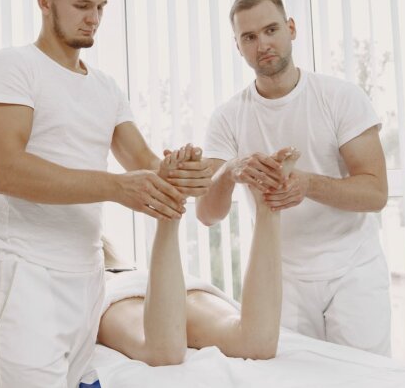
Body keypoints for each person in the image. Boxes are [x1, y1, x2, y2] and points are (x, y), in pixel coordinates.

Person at [0, 0, 214, 388]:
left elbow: (144, 164)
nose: (94, 18)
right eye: (82, 6)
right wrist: (117, 188)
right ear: (45, 2)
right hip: (25, 268)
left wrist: (180, 171)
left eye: (101, 7)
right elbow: (5, 171)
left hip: (87, 272)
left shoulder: (105, 87)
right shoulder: (12, 67)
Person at [190, 0, 392, 355]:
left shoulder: (341, 97)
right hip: (282, 277)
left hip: (354, 268)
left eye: (270, 30)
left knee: (366, 378)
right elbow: (207, 214)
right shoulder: (227, 117)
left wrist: (307, 184)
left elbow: (376, 193)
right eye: (248, 37)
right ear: (238, 47)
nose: (262, 44)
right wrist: (231, 171)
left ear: (291, 29)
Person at [97, 145, 300, 365]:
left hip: (120, 286)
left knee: (164, 351)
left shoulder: (89, 257)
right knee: (254, 343)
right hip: (146, 283)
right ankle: (268, 205)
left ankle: (170, 211)